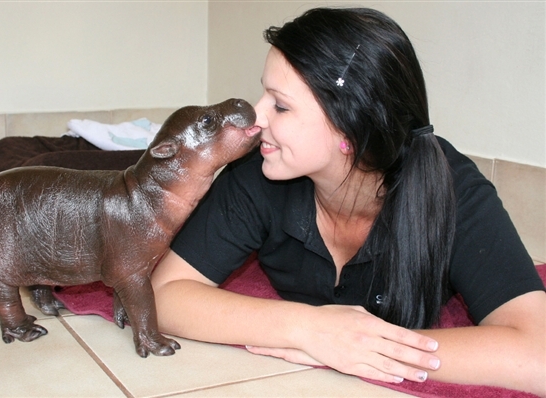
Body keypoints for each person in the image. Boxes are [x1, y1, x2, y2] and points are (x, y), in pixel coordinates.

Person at [151, 7, 545, 395]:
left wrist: (363, 348)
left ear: (350, 129)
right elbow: (165, 292)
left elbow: (536, 354)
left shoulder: (453, 191)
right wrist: (310, 329)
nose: (256, 117)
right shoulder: (257, 174)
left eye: (281, 105)